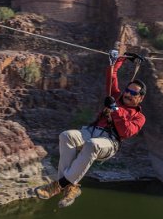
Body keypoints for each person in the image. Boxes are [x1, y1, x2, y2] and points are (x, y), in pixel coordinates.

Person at [35, 52, 146, 208]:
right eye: (128, 90)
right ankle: (69, 187)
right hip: (92, 131)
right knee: (66, 136)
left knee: (92, 145)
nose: (128, 94)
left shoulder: (139, 117)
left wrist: (115, 110)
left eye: (134, 93)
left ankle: (58, 185)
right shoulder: (116, 96)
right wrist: (123, 58)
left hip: (109, 142)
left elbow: (125, 132)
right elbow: (112, 74)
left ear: (141, 98)